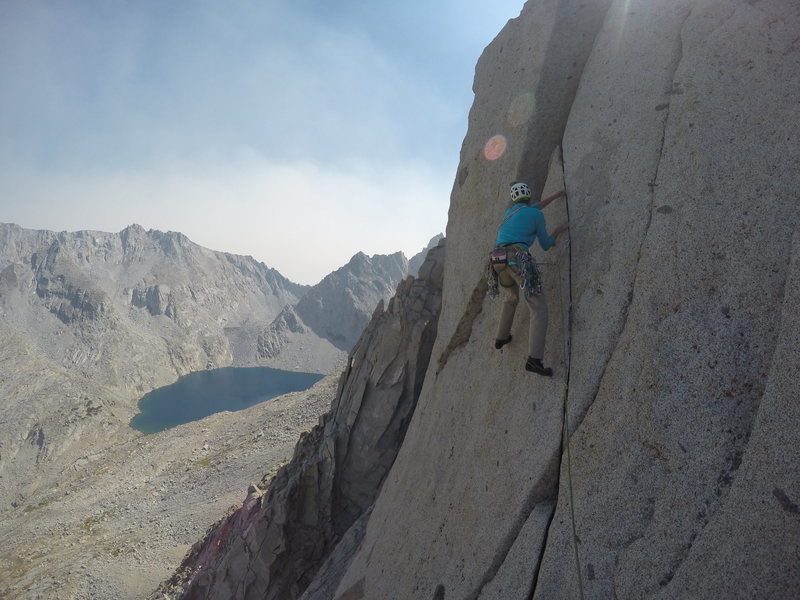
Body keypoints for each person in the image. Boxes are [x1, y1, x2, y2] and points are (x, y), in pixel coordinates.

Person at [490, 181, 568, 376]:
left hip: (498, 261)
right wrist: (558, 230)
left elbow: (534, 207)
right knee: (538, 307)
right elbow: (546, 244)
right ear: (529, 196)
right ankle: (534, 360)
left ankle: (501, 337)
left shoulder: (509, 213)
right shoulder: (535, 216)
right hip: (518, 260)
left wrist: (556, 195)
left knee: (511, 297)